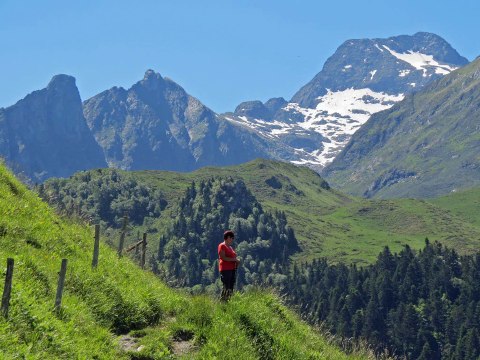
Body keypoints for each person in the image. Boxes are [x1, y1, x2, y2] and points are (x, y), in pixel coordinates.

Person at [218, 230, 240, 301]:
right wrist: (234, 260)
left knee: (231, 287)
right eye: (231, 238)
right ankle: (223, 302)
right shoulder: (222, 246)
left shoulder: (230, 247)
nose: (232, 240)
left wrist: (236, 262)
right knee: (226, 286)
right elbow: (223, 257)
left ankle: (228, 301)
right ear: (227, 237)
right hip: (225, 269)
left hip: (232, 269)